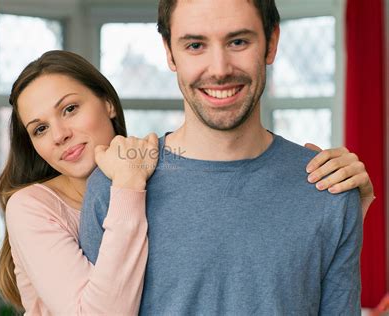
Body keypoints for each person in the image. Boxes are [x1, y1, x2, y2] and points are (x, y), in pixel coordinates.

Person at [79, 1, 367, 314]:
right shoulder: (115, 188)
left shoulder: (329, 190)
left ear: (272, 43)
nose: (219, 69)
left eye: (238, 41)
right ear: (169, 52)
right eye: (195, 45)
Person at [0, 50, 158, 315]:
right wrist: (127, 187)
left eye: (69, 109)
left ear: (108, 103)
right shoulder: (30, 208)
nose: (59, 135)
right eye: (40, 129)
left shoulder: (156, 177)